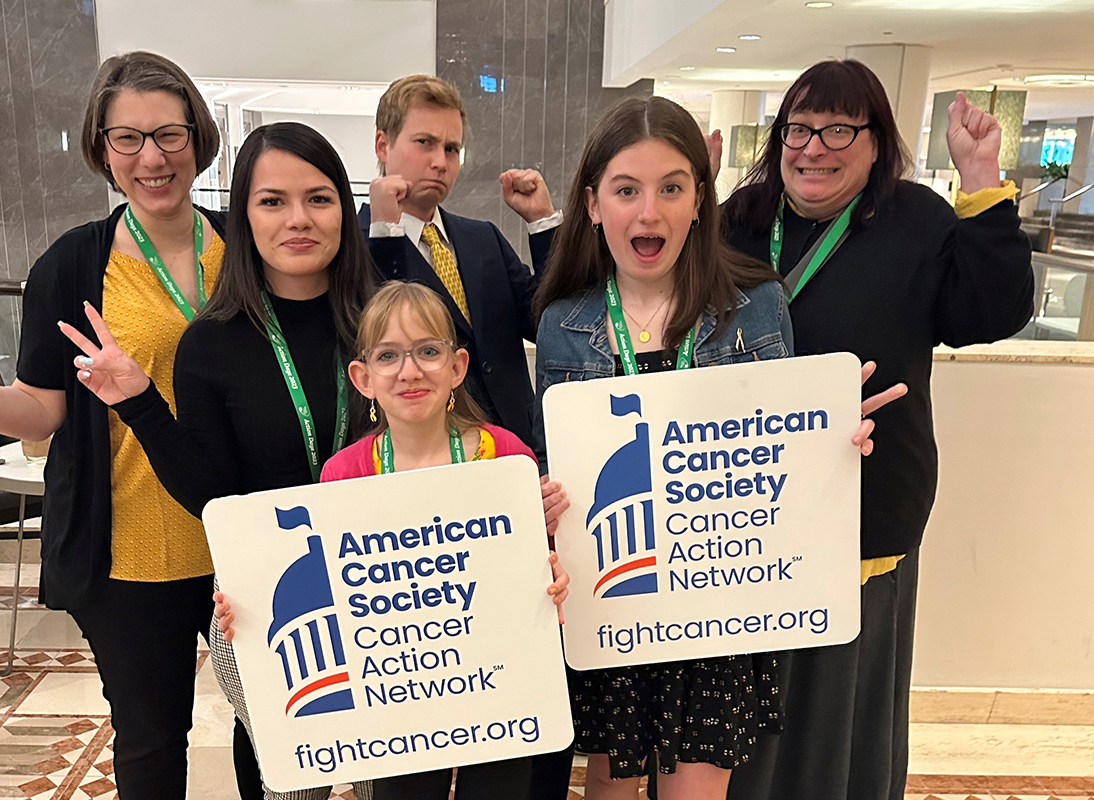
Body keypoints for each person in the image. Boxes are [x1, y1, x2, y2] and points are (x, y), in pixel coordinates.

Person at [531, 94, 898, 800]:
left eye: (672, 188)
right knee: (609, 791)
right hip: (620, 599)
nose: (650, 212)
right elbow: (560, 468)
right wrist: (545, 501)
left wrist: (835, 448)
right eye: (627, 190)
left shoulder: (756, 305)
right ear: (593, 204)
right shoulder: (563, 325)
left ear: (700, 199)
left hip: (716, 601)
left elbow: (783, 471)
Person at [0, 51, 240, 798]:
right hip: (130, 550)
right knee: (153, 740)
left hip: (243, 538)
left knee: (272, 726)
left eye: (169, 133)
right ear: (101, 148)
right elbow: (43, 409)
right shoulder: (72, 264)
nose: (151, 157)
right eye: (127, 138)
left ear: (198, 135)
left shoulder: (245, 248)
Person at [717, 60, 1035, 800]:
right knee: (744, 703)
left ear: (874, 142)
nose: (813, 147)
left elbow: (988, 314)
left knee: (838, 704)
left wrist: (983, 183)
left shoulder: (916, 219)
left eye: (838, 129)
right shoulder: (741, 218)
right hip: (740, 504)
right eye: (798, 128)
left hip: (868, 501)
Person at [58, 122, 378, 800]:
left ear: (345, 214)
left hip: (389, 579)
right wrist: (142, 404)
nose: (298, 219)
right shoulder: (213, 342)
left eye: (319, 199)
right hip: (277, 596)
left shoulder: (387, 323)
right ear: (243, 217)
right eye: (272, 202)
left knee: (395, 772)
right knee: (289, 779)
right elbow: (213, 494)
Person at [212, 279, 573, 800]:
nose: (410, 371)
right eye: (389, 356)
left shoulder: (506, 458)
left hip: (499, 692)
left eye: (428, 351)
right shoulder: (345, 475)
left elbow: (538, 565)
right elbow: (330, 586)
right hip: (398, 703)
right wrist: (248, 611)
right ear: (362, 377)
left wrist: (554, 572)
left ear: (457, 367)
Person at [362, 74, 561, 452]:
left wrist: (542, 225)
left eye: (452, 149)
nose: (440, 162)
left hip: (517, 450)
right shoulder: (353, 246)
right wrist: (385, 234)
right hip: (428, 463)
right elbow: (382, 331)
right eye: (425, 143)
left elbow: (549, 324)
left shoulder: (482, 238)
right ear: (383, 144)